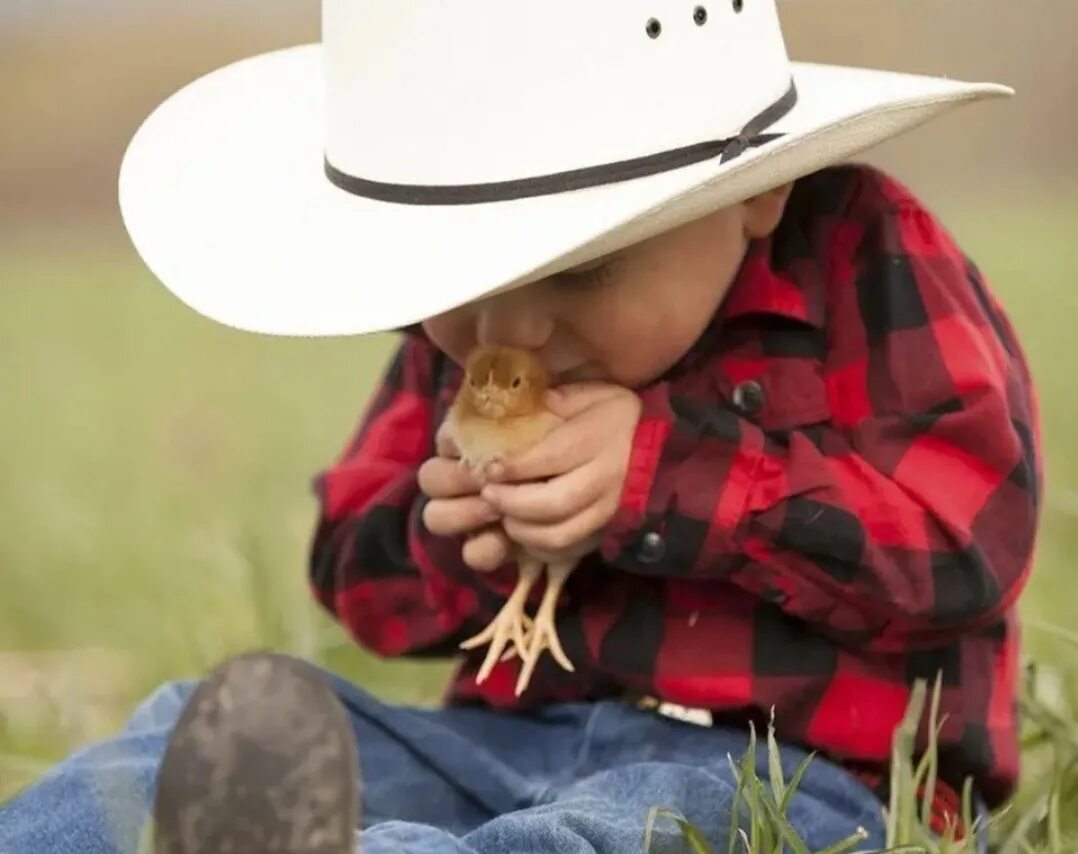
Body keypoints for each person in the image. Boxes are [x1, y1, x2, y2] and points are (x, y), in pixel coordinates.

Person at [0, 1, 1040, 852]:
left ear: (755, 192)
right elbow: (358, 578)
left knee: (602, 831)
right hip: (504, 740)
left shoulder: (864, 258)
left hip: (807, 781)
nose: (510, 331)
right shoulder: (479, 338)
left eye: (581, 267)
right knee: (190, 729)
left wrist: (663, 478)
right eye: (466, 280)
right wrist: (457, 527)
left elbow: (966, 546)